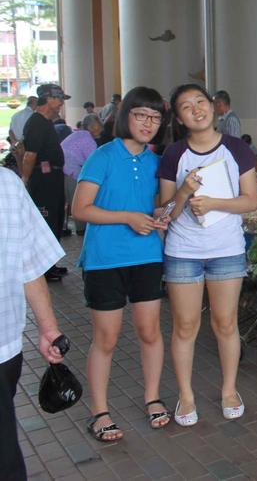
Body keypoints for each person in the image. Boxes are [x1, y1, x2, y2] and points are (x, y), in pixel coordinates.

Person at [71, 87, 171, 442]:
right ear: (126, 116)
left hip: (146, 257)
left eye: (155, 118)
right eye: (141, 115)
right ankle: (100, 412)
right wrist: (129, 216)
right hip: (104, 260)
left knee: (150, 332)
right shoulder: (102, 156)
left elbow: (157, 206)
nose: (148, 123)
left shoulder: (157, 162)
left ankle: (153, 398)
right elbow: (80, 209)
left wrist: (161, 214)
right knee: (107, 339)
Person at [158, 84, 257, 426]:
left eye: (200, 101)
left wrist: (215, 203)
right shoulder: (174, 154)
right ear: (179, 117)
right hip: (183, 250)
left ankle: (229, 389)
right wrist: (184, 191)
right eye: (186, 106)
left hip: (226, 249)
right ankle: (186, 396)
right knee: (185, 325)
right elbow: (165, 213)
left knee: (225, 323)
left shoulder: (236, 149)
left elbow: (251, 201)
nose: (196, 109)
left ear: (213, 106)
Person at [0, 168, 67, 480]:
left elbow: (29, 264)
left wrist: (49, 328)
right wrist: (48, 328)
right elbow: (31, 264)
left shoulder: (8, 184)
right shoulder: (6, 183)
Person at [22, 84, 71, 282]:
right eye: (59, 99)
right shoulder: (36, 123)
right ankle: (43, 267)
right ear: (48, 99)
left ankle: (51, 264)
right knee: (47, 220)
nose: (60, 104)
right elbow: (30, 155)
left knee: (55, 219)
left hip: (52, 179)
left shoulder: (45, 122)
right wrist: (24, 181)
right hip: (43, 181)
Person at [61, 114, 103, 236]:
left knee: (70, 200)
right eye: (98, 125)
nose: (100, 128)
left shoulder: (77, 134)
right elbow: (94, 163)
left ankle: (72, 227)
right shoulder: (88, 140)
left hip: (64, 170)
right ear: (92, 127)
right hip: (71, 172)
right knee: (79, 200)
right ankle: (81, 229)